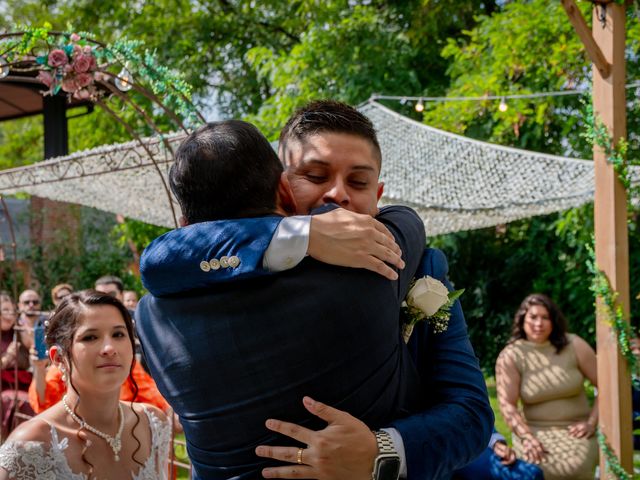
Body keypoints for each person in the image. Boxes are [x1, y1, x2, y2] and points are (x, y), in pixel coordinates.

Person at [140, 100, 492, 479]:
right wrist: (301, 232)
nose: (337, 195)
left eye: (358, 181)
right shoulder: (192, 271)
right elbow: (163, 259)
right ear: (284, 187)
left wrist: (381, 451)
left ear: (378, 192)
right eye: (315, 175)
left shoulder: (418, 264)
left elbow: (470, 414)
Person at [0, 290, 170, 480]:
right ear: (59, 358)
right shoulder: (30, 446)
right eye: (90, 337)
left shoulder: (153, 424)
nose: (109, 348)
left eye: (118, 334)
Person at [496, 293, 598, 480]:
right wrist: (527, 438)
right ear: (522, 320)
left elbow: (606, 387)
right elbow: (507, 405)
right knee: (535, 469)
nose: (539, 323)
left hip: (577, 431)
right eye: (533, 317)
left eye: (545, 317)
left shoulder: (574, 344)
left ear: (554, 321)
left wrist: (591, 423)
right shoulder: (511, 355)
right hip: (534, 432)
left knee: (575, 468)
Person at [0, 294, 35, 438]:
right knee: (15, 401)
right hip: (4, 385)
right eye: (5, 310)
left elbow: (33, 347)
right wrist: (7, 357)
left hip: (24, 383)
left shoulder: (18, 331)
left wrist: (23, 328)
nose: (10, 314)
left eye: (12, 311)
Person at [452, 428, 543, 480]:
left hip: (466, 444)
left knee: (531, 474)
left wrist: (496, 442)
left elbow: (475, 412)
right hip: (444, 454)